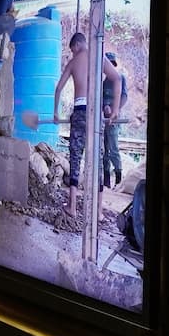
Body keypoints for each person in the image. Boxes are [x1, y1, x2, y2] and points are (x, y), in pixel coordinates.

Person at [53, 32, 121, 220]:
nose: (73, 53)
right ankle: (98, 212)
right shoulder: (99, 57)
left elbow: (58, 88)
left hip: (80, 111)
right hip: (96, 113)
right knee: (97, 160)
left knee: (75, 157)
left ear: (76, 45)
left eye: (72, 50)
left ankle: (72, 207)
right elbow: (117, 78)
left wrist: (55, 113)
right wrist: (115, 109)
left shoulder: (73, 62)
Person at [102, 51, 128, 188]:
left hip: (114, 119)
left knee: (113, 149)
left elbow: (124, 96)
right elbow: (100, 99)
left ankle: (118, 179)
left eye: (111, 64)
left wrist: (115, 109)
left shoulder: (120, 78)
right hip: (104, 119)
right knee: (104, 149)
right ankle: (106, 179)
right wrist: (104, 106)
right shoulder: (104, 82)